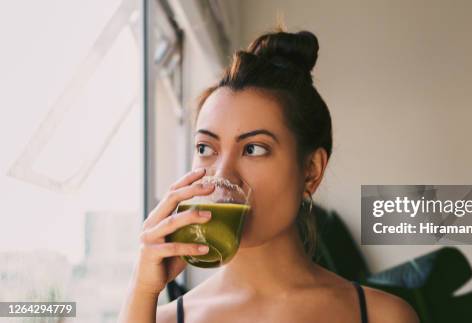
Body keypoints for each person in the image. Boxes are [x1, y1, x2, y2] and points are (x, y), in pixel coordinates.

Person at [118, 26, 419, 323]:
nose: (223, 175)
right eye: (206, 148)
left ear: (311, 171)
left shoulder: (384, 317)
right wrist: (142, 289)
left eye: (254, 149)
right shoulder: (163, 320)